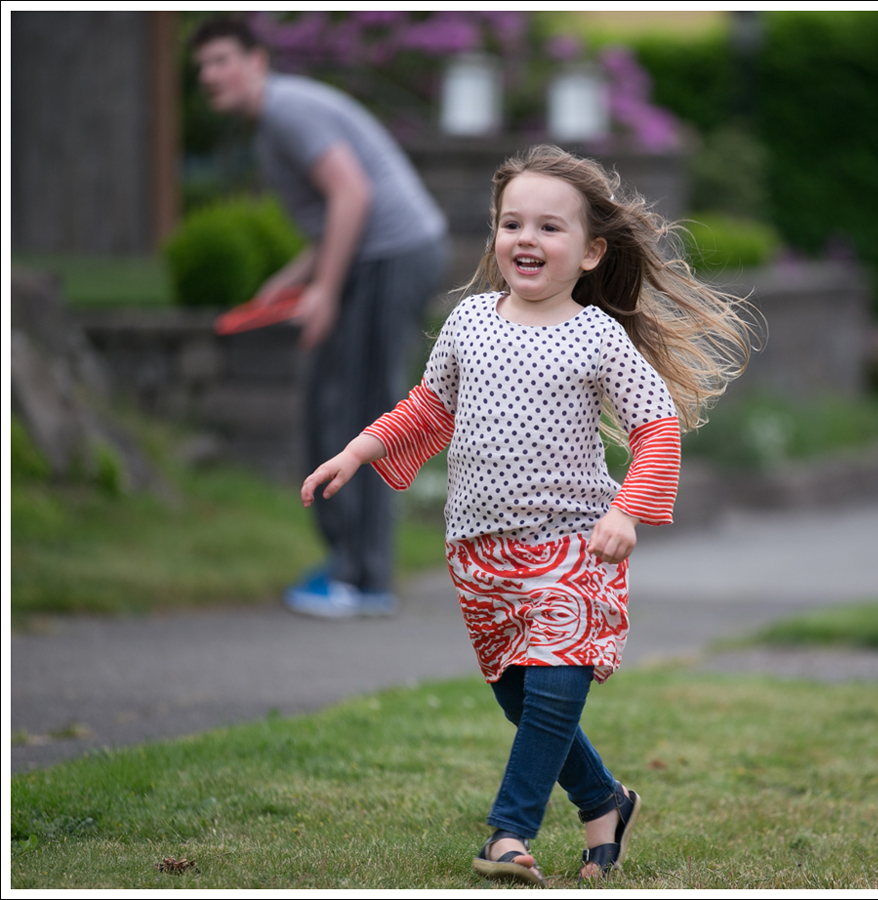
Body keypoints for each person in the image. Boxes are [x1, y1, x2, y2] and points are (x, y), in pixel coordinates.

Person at [301, 144, 756, 885]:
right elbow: (429, 407)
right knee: (521, 694)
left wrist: (628, 512)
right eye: (512, 223)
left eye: (549, 227)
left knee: (554, 681)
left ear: (589, 252)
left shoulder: (598, 336)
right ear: (494, 235)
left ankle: (508, 831)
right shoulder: (470, 321)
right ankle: (604, 801)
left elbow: (656, 428)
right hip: (479, 549)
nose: (526, 239)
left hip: (576, 543)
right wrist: (359, 450)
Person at [191, 17, 449, 617]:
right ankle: (346, 561)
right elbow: (341, 211)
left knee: (359, 407)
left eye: (223, 59)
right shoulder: (274, 119)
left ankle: (364, 580)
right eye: (202, 66)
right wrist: (293, 278)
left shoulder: (285, 111)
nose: (210, 75)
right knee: (330, 403)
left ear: (257, 61)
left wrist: (325, 292)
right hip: (374, 256)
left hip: (391, 256)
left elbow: (352, 195)